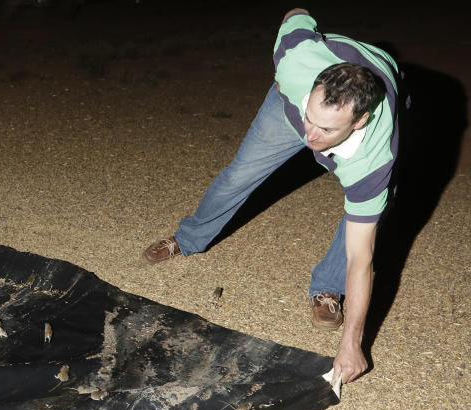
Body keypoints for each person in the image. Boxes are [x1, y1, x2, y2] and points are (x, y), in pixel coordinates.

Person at [143, 8, 402, 388]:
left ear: (359, 121)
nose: (309, 138)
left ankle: (328, 287)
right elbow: (296, 14)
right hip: (287, 103)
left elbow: (363, 258)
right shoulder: (295, 60)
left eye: (325, 129)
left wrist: (353, 343)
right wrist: (297, 102)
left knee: (363, 220)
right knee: (239, 175)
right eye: (310, 120)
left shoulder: (373, 158)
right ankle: (187, 238)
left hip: (374, 93)